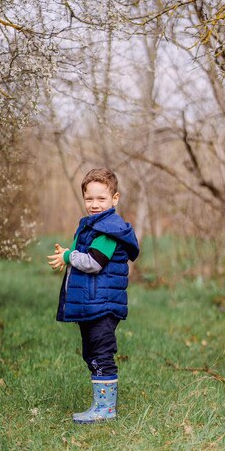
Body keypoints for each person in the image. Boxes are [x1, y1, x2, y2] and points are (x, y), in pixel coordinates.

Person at [47, 167, 139, 424]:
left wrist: (69, 256)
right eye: (90, 199)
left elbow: (94, 262)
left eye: (101, 199)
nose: (95, 204)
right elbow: (82, 258)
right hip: (93, 303)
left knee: (101, 352)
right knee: (91, 353)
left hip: (103, 304)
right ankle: (100, 404)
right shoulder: (93, 226)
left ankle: (106, 409)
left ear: (115, 199)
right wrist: (67, 255)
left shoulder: (109, 229)